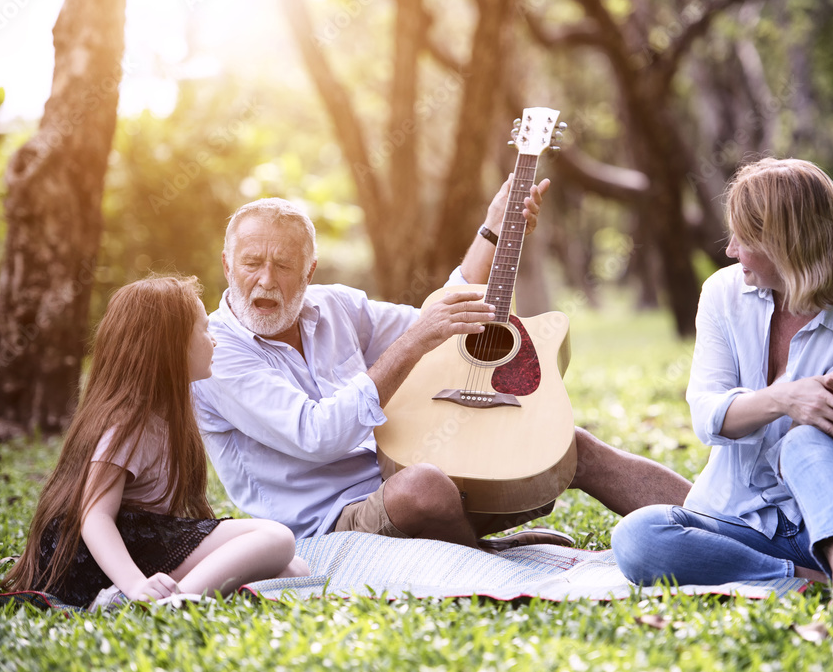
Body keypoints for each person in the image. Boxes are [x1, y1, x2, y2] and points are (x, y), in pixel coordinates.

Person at [192, 175, 692, 551]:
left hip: (405, 473)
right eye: (252, 263)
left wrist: (495, 228)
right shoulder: (218, 354)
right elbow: (317, 433)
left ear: (309, 270)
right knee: (425, 487)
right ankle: (481, 557)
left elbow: (446, 317)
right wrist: (410, 345)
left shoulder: (334, 305)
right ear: (226, 265)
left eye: (283, 266)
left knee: (569, 446)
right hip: (325, 524)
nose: (265, 281)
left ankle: (727, 523)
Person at [611, 158, 833, 609]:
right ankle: (804, 577)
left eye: (745, 238)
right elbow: (708, 417)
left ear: (786, 244)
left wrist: (789, 411)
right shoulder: (722, 294)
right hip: (749, 522)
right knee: (637, 537)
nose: (731, 250)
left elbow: (805, 454)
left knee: (806, 440)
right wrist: (784, 398)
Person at [2, 276, 309, 609]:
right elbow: (94, 515)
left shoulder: (169, 414)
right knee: (277, 538)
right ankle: (159, 606)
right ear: (170, 346)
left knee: (294, 568)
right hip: (91, 556)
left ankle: (162, 597)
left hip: (142, 542)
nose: (215, 341)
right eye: (204, 330)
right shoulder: (127, 422)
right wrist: (135, 584)